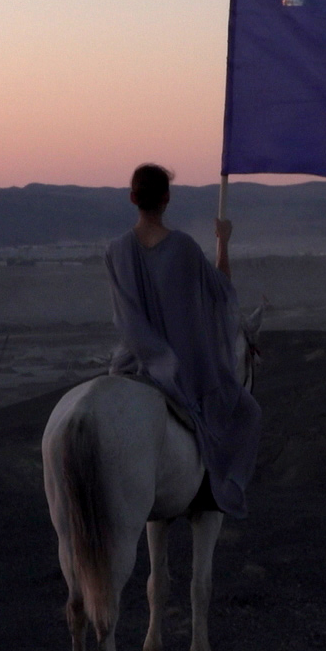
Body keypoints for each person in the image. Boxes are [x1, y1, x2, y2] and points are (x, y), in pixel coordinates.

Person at [104, 164, 261, 517]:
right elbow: (221, 293)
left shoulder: (115, 251)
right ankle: (218, 490)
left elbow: (125, 319)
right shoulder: (184, 249)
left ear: (133, 198)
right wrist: (223, 241)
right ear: (167, 199)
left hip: (131, 363)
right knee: (248, 412)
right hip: (180, 369)